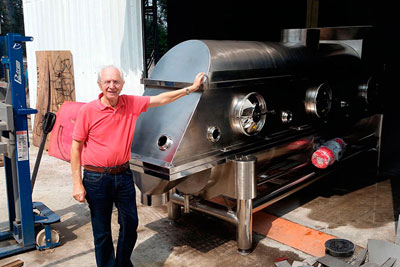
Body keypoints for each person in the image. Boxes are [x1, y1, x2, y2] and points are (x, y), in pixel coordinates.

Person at [71, 65, 206, 267]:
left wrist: (192, 88)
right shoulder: (88, 110)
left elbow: (162, 99)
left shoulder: (130, 103)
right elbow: (76, 147)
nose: (111, 86)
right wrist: (76, 184)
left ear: (122, 84)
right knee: (102, 231)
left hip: (124, 175)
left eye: (116, 82)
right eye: (107, 82)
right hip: (96, 178)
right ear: (99, 84)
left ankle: (123, 263)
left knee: (130, 223)